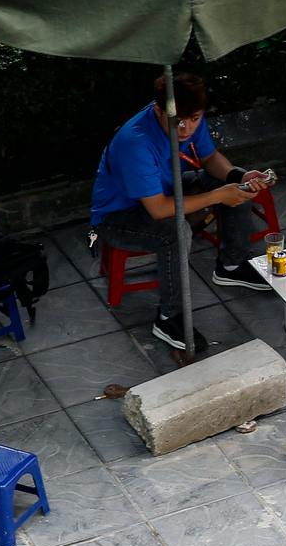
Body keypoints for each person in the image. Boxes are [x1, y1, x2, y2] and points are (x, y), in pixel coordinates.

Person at [90, 71, 275, 354]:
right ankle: (168, 317)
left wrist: (239, 175)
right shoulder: (135, 143)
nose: (187, 128)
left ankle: (232, 265)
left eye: (195, 119)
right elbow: (159, 210)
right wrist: (216, 197)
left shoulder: (189, 116)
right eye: (179, 122)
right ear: (158, 111)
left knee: (233, 183)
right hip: (120, 216)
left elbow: (210, 158)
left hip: (165, 191)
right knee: (175, 232)